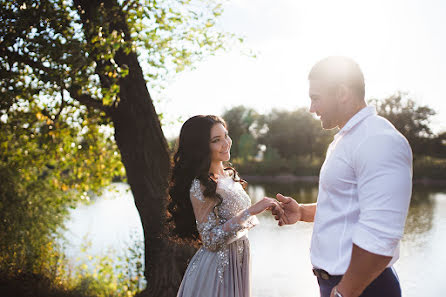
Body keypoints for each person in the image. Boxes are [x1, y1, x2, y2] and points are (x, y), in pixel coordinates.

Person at [272, 56, 413, 297]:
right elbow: (346, 206)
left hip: (363, 289)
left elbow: (382, 235)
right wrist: (303, 212)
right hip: (339, 285)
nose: (311, 108)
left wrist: (344, 293)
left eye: (315, 98)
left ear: (342, 92)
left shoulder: (378, 139)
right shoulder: (346, 140)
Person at [168, 115, 279, 297]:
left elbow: (234, 217)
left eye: (226, 136)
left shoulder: (228, 176)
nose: (226, 143)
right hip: (217, 269)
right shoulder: (200, 185)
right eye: (216, 140)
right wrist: (250, 212)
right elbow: (210, 240)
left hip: (238, 259)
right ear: (201, 147)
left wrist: (273, 207)